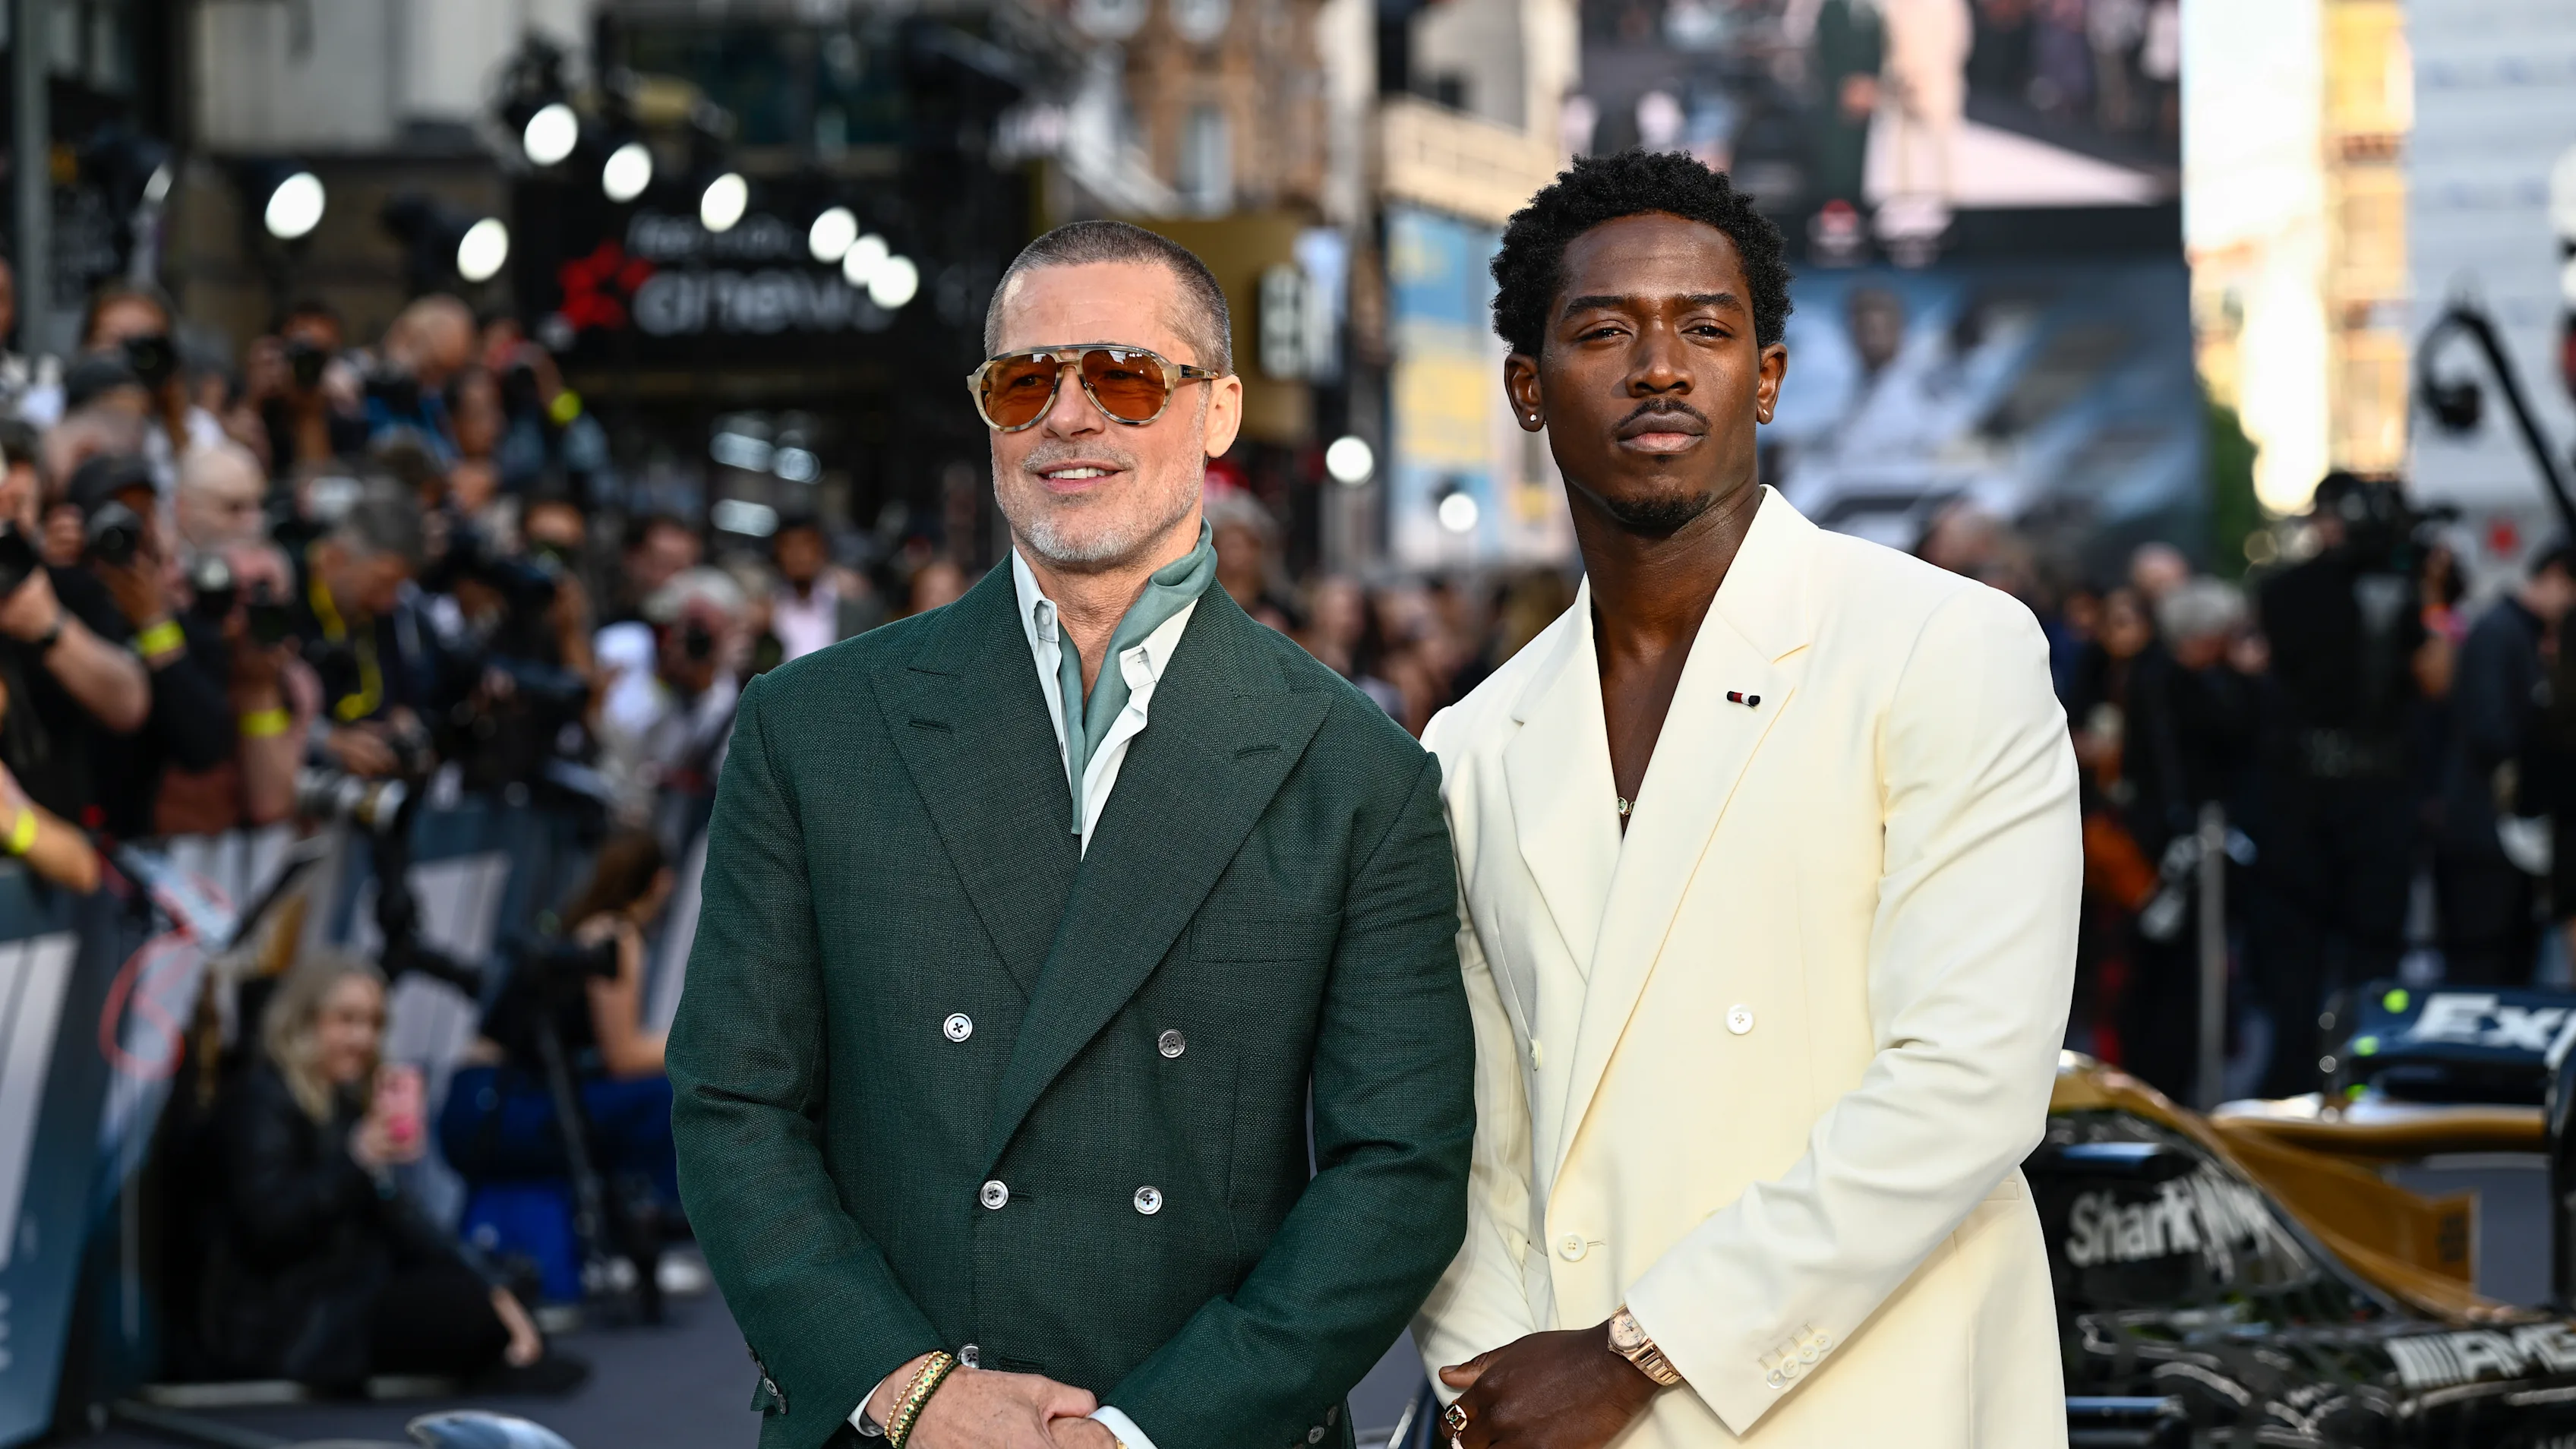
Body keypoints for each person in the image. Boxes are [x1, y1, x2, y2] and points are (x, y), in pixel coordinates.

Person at [668, 219, 1474, 1449]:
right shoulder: (811, 726)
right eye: (1026, 381)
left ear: (1217, 410)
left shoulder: (1355, 769)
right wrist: (909, 1386)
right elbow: (733, 1102)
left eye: (1126, 376)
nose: (1071, 416)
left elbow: (1397, 1168)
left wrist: (1146, 1429)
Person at [1416, 152, 2078, 1449]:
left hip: (1872, 1399)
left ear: (1764, 377)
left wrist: (1637, 1349)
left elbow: (1966, 1086)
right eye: (1604, 330)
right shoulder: (1473, 740)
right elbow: (1469, 1133)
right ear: (1527, 389)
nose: (1660, 365)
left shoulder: (1941, 645)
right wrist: (1491, 1377)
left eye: (1706, 329)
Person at [197, 954, 584, 1391]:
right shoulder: (259, 1100)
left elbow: (404, 1223)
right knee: (462, 1309)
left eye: (374, 1023)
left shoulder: (342, 1105)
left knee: (503, 1282)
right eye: (346, 1020)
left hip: (349, 1291)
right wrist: (356, 1160)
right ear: (303, 1021)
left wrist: (491, 1284)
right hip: (291, 1321)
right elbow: (269, 1227)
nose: (363, 1038)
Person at [2249, 472, 2430, 1096]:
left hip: (2313, 797)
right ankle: (2362, 1075)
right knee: (2368, 948)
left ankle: (2302, 1078)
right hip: (2364, 795)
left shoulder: (2285, 592)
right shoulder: (2397, 590)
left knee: (2309, 950)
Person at [440, 831, 681, 1215]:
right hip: (498, 1103)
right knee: (669, 1102)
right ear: (661, 881)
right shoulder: (614, 937)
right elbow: (625, 1056)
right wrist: (708, 1047)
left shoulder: (582, 925)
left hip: (475, 1102)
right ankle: (672, 1233)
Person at [2436, 542, 2572, 985]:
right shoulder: (2499, 632)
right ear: (2554, 577)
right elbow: (2491, 731)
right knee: (2483, 971)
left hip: (2510, 834)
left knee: (2513, 967)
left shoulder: (2520, 632)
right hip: (2484, 835)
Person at [286, 472, 434, 777]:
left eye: (399, 587)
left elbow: (400, 701)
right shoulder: (282, 592)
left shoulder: (384, 613)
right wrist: (327, 741)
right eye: (383, 582)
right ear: (337, 558)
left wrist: (399, 726)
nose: (389, 601)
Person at [767, 514, 881, 662]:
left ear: (821, 549)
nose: (797, 555)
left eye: (805, 544)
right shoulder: (767, 611)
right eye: (788, 546)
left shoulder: (855, 606)